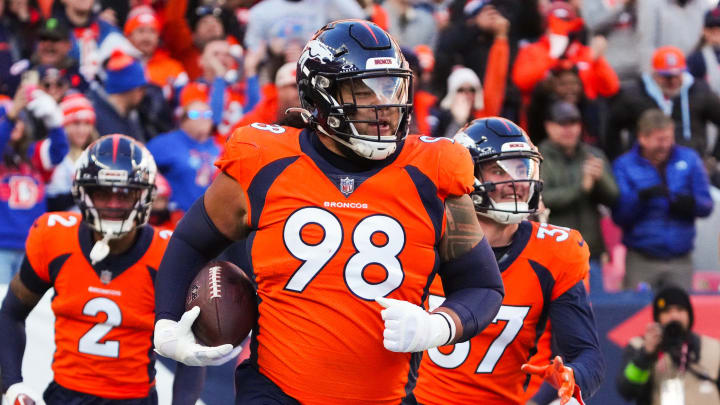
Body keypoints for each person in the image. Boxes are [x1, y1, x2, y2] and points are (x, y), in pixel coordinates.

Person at [153, 19, 504, 404]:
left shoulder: (433, 170)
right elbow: (189, 241)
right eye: (364, 91)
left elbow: (482, 285)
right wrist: (167, 320)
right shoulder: (264, 158)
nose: (384, 105)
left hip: (384, 396)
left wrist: (440, 325)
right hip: (276, 390)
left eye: (391, 87)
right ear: (319, 94)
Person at [0, 134, 209, 404]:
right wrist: (13, 385)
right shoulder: (53, 238)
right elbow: (11, 314)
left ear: (145, 195)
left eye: (124, 194)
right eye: (102, 192)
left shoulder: (168, 254)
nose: (112, 204)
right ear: (82, 193)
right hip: (65, 397)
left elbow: (191, 349)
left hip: (135, 399)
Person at [409, 117, 604, 405]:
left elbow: (588, 355)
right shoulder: (423, 235)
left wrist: (573, 382)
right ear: (469, 174)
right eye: (499, 171)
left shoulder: (555, 252)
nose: (517, 183)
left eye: (521, 168)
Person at [612, 109, 713, 290]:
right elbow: (619, 215)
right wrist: (640, 198)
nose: (666, 145)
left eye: (669, 138)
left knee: (681, 314)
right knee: (634, 312)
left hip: (681, 259)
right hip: (641, 259)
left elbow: (706, 204)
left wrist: (691, 205)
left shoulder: (689, 159)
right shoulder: (624, 165)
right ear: (642, 138)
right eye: (660, 140)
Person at [538, 101, 618, 293]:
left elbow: (614, 197)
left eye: (573, 122)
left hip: (591, 252)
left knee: (598, 313)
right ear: (549, 126)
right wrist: (581, 188)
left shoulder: (592, 154)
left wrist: (600, 179)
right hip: (554, 254)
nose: (569, 129)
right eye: (562, 123)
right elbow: (541, 198)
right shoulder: (539, 157)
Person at [617, 285, 720, 405]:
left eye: (680, 310)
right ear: (657, 317)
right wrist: (646, 355)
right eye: (667, 311)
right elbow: (627, 391)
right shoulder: (640, 346)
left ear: (689, 314)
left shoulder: (714, 348)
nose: (674, 316)